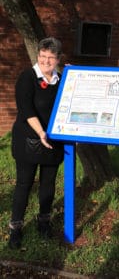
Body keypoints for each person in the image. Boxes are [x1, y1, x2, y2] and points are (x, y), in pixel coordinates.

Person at [9, 37, 64, 249]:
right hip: (29, 140)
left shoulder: (62, 80)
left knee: (48, 185)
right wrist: (41, 132)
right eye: (42, 56)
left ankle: (44, 222)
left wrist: (75, 76)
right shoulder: (27, 77)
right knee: (24, 185)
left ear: (58, 58)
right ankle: (16, 228)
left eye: (51, 57)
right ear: (38, 55)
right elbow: (26, 109)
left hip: (53, 143)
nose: (46, 61)